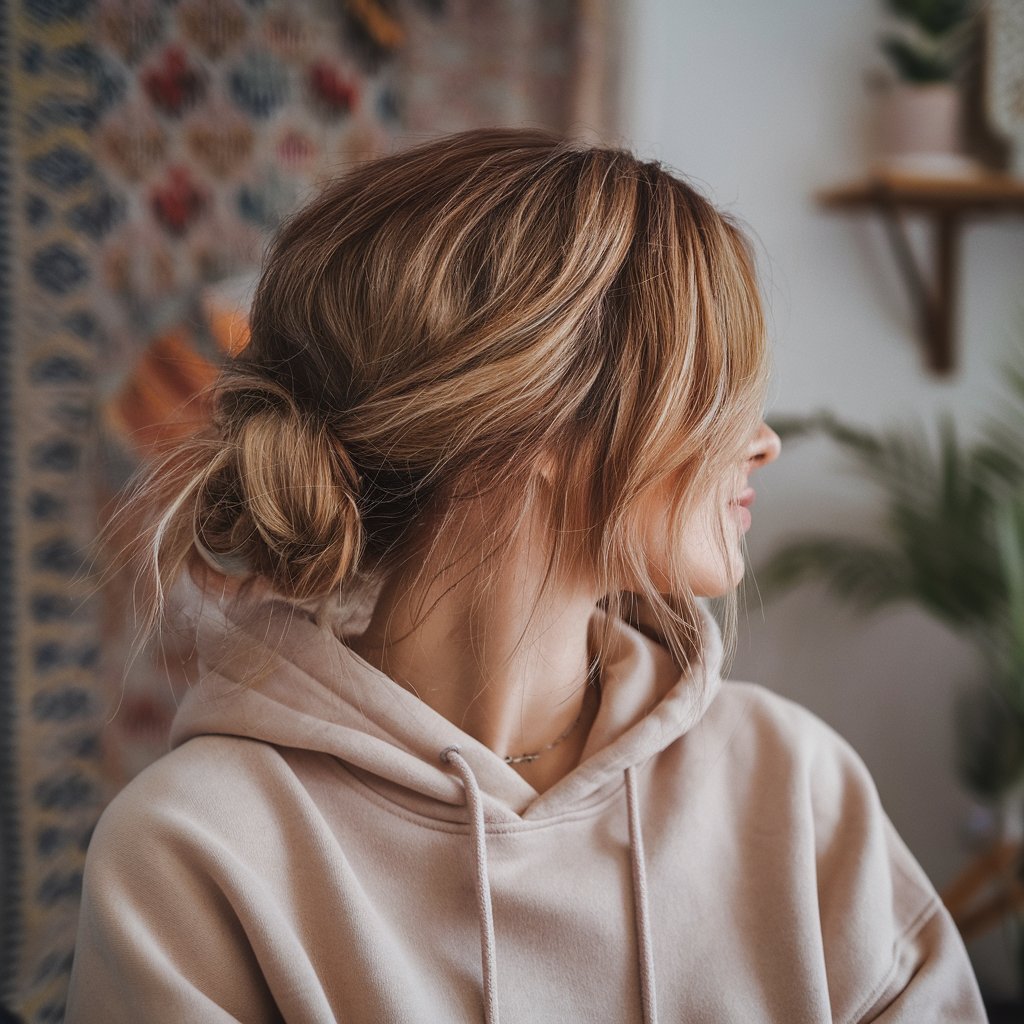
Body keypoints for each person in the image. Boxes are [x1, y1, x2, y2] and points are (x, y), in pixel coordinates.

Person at [66, 128, 986, 1023]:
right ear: (541, 429)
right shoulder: (196, 854)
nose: (764, 441)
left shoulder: (797, 789)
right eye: (712, 389)